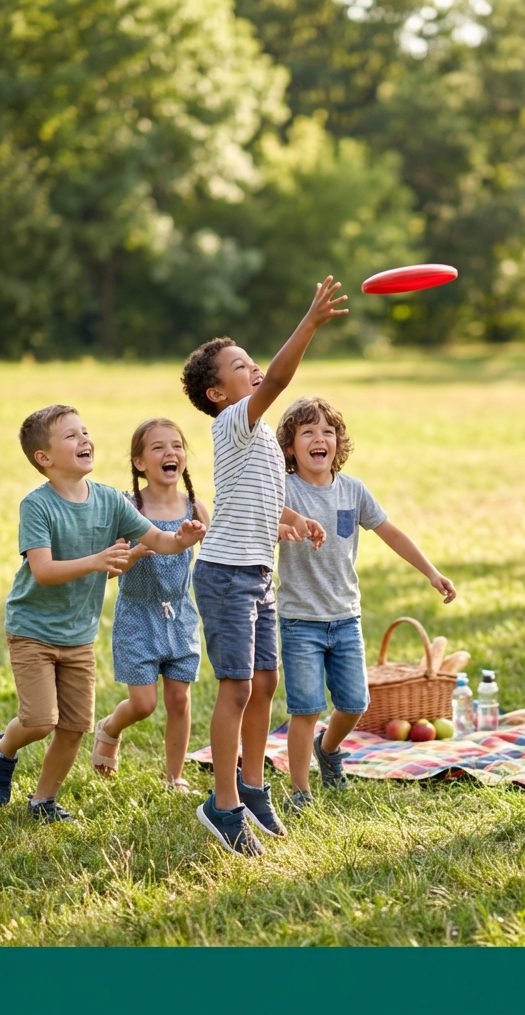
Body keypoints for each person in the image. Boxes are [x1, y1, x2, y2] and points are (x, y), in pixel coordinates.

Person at [181, 276, 347, 857]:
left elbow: (252, 499)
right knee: (236, 689)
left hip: (257, 574)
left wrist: (291, 521)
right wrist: (310, 321)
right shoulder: (233, 422)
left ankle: (252, 786)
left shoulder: (256, 444)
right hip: (225, 574)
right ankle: (221, 805)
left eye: (251, 361)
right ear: (217, 394)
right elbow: (280, 379)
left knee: (266, 684)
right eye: (240, 365)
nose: (253, 369)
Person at [0, 405, 205, 820]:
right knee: (40, 721)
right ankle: (3, 750)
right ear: (45, 457)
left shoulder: (111, 500)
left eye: (85, 432)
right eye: (72, 436)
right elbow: (42, 570)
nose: (85, 440)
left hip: (79, 634)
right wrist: (97, 560)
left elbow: (158, 543)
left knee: (75, 726)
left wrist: (182, 539)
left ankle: (43, 801)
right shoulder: (37, 506)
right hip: (34, 630)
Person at [275, 395, 456, 812]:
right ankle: (299, 791)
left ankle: (329, 748)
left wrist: (430, 572)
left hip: (345, 619)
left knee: (355, 703)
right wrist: (285, 528)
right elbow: (262, 520)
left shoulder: (353, 490)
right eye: (308, 433)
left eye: (328, 432)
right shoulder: (284, 491)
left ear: (339, 442)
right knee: (305, 708)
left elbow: (391, 532)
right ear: (290, 447)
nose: (320, 439)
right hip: (300, 620)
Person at [91, 419, 210, 790]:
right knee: (143, 704)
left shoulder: (195, 508)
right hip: (137, 615)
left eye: (176, 445)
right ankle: (109, 728)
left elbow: (217, 558)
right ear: (139, 462)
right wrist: (139, 551)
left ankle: (175, 776)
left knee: (179, 698)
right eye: (158, 447)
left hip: (180, 614)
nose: (169, 453)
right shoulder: (128, 509)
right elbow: (105, 571)